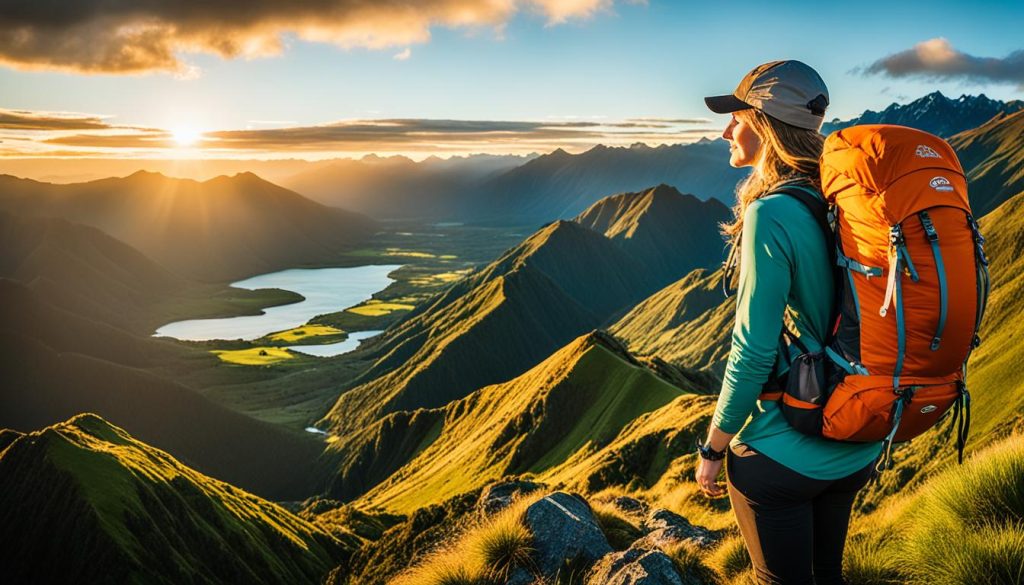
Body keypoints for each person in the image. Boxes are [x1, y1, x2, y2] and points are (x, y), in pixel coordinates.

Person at [694, 61, 884, 585]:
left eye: (736, 116)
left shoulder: (771, 213)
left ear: (763, 121)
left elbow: (752, 352)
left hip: (783, 454)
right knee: (827, 574)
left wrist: (714, 447)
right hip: (855, 442)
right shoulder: (847, 198)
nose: (726, 129)